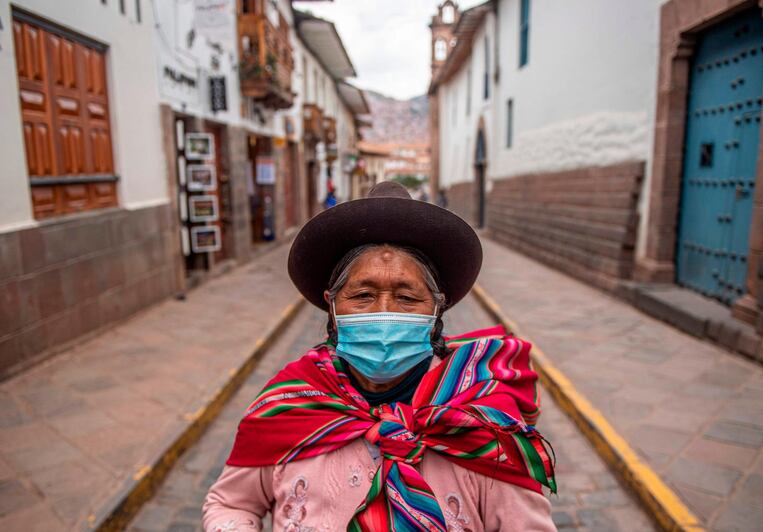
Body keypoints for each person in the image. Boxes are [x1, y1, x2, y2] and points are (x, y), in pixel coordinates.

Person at [203, 182, 557, 531]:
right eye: (362, 295)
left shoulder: (483, 420)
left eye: (406, 298)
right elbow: (231, 503)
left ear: (437, 308)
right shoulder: (292, 403)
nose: (384, 312)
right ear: (332, 305)